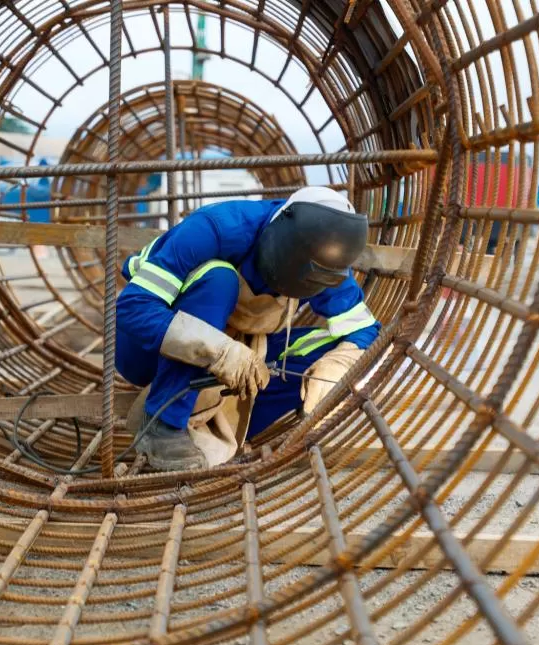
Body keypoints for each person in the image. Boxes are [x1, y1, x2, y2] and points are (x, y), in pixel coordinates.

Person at [115, 186, 381, 471]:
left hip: (236, 347)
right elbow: (134, 308)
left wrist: (337, 367)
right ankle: (164, 426)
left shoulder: (326, 262)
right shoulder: (216, 228)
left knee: (335, 348)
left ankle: (232, 427)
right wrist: (217, 350)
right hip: (144, 351)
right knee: (219, 279)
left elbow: (365, 330)